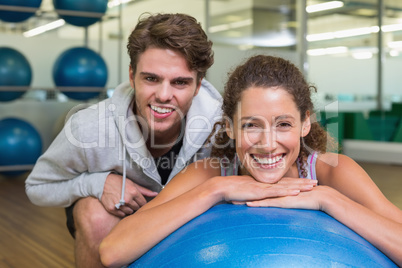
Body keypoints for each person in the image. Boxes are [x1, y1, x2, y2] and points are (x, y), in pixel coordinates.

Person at [99, 55, 402, 268]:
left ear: (305, 124)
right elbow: (112, 251)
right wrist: (215, 190)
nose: (268, 144)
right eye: (251, 125)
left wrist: (329, 199)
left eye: (283, 124)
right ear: (229, 126)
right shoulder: (210, 174)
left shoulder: (331, 171)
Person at [25, 13, 223, 268]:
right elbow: (37, 187)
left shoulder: (222, 128)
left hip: (187, 218)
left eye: (180, 82)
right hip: (119, 217)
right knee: (93, 213)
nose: (164, 95)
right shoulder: (89, 128)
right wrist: (95, 183)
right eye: (151, 78)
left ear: (197, 86)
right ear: (132, 76)